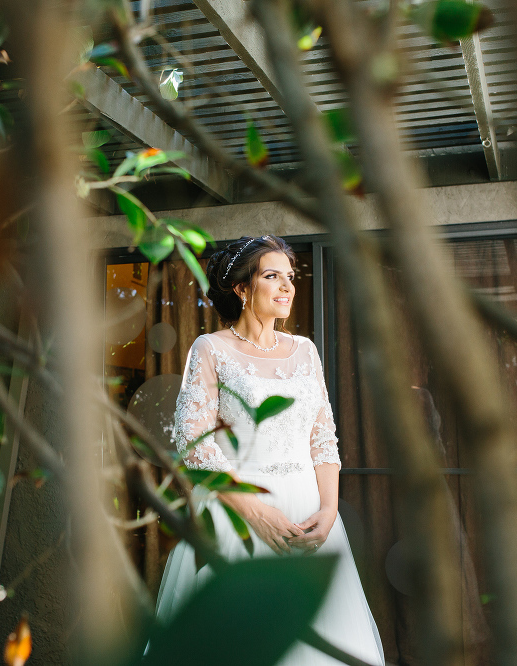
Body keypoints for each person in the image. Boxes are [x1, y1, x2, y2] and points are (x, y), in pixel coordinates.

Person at [153, 235, 385, 665]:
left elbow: (324, 439)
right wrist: (256, 513)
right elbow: (193, 445)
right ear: (242, 289)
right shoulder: (210, 350)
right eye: (272, 276)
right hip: (235, 515)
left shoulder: (306, 352)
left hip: (310, 519)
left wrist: (330, 511)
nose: (287, 287)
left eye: (290, 278)